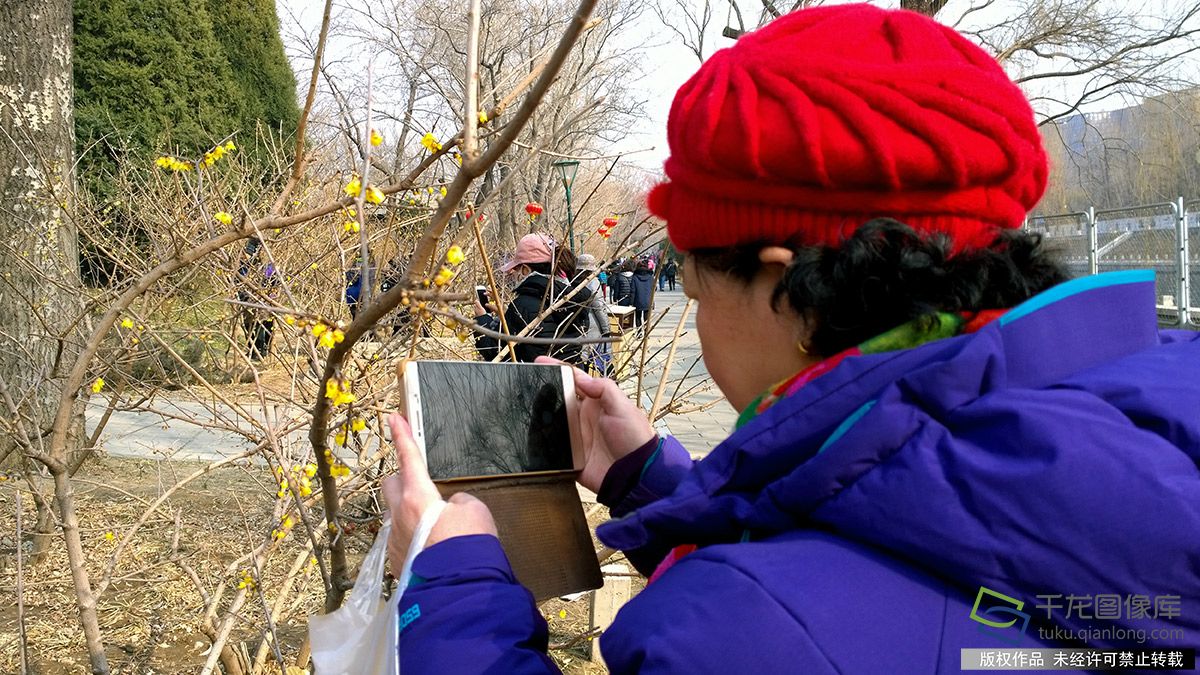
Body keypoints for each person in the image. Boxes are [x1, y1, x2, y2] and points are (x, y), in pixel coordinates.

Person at [382, 5, 1200, 673]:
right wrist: (654, 482)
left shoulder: (732, 634)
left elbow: (801, 616)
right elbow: (911, 543)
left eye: (697, 291)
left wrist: (449, 581)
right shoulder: (1144, 423)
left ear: (783, 281)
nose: (697, 321)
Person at [473, 233, 594, 364]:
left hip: (539, 381)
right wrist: (507, 313)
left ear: (525, 269)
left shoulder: (523, 305)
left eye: (517, 268)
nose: (513, 274)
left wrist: (482, 319)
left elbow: (495, 352)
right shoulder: (572, 298)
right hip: (573, 378)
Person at [630, 260, 654, 328]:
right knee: (646, 318)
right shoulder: (650, 277)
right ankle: (646, 333)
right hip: (648, 300)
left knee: (638, 317)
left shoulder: (634, 277)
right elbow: (654, 289)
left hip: (637, 301)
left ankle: (639, 332)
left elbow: (633, 291)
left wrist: (631, 302)